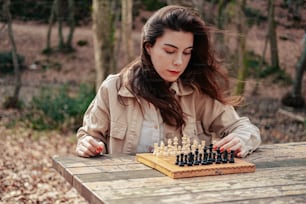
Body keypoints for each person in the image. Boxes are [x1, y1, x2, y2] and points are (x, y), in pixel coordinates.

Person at [76, 5, 261, 158]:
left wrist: (241, 139)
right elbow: (88, 136)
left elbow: (244, 127)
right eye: (170, 51)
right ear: (149, 47)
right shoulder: (113, 89)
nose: (179, 61)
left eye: (187, 52)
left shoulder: (196, 92)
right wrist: (87, 145)